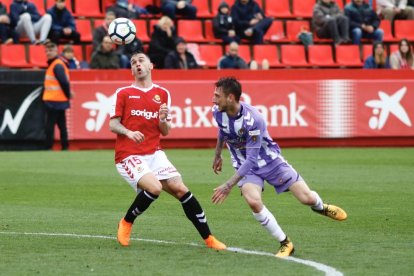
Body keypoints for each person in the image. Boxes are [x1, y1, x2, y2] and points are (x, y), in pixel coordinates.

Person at [210, 77, 347, 257]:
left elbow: (252, 158)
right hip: (245, 166)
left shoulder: (253, 120)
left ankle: (321, 207)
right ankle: (285, 243)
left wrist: (228, 185)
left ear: (230, 98)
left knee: (306, 198)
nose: (213, 99)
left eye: (217, 96)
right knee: (253, 201)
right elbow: (223, 130)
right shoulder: (217, 111)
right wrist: (218, 154)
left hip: (270, 161)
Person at [109, 51, 226, 250]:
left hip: (154, 153)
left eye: (141, 61)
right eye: (133, 62)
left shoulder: (162, 94)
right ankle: (126, 222)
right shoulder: (124, 93)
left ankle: (209, 239)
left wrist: (162, 119)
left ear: (151, 66)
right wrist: (128, 132)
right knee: (154, 188)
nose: (137, 64)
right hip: (128, 154)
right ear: (131, 70)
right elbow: (113, 124)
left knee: (181, 189)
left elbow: (165, 131)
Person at [42, 41, 71, 150]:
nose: (48, 53)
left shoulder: (57, 65)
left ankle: (48, 147)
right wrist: (67, 96)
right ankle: (65, 147)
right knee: (61, 125)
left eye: (50, 50)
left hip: (53, 100)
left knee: (50, 125)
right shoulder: (56, 64)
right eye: (47, 51)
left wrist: (68, 95)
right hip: (59, 100)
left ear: (56, 51)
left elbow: (64, 82)